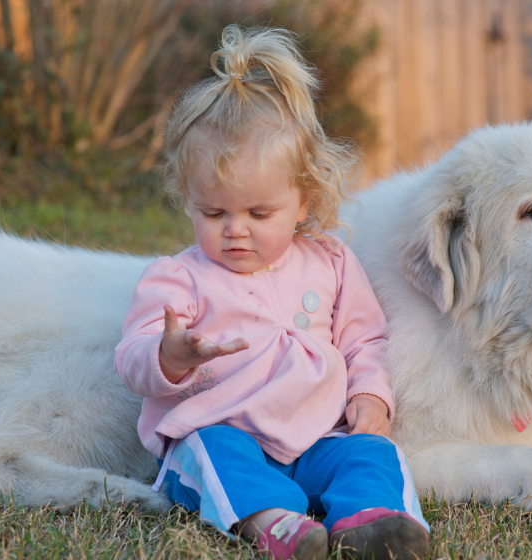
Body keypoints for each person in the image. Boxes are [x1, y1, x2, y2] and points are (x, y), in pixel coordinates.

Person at [115, 24, 429, 560]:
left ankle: (376, 521)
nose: (235, 229)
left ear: (303, 202)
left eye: (260, 213)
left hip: (317, 438)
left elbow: (364, 340)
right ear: (187, 200)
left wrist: (371, 394)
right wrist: (169, 355)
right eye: (213, 213)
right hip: (227, 435)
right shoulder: (178, 278)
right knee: (211, 452)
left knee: (372, 453)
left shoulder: (330, 262)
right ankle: (272, 523)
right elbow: (132, 359)